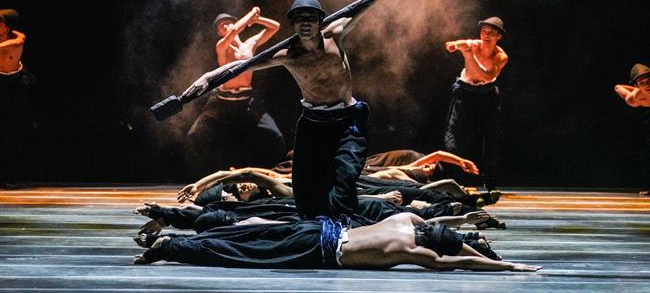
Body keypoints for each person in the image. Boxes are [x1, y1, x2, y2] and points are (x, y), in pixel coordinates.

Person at [184, 0, 404, 220]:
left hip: (347, 121)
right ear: (294, 24)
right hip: (313, 124)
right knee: (305, 192)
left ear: (320, 21)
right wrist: (207, 77)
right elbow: (242, 66)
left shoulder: (334, 33)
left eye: (310, 18)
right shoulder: (288, 54)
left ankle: (345, 229)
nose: (305, 24)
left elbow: (364, 1)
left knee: (344, 179)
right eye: (300, 19)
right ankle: (315, 229)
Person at [133, 212, 540, 271]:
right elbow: (458, 260)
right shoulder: (408, 252)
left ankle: (176, 236)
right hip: (318, 249)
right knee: (245, 254)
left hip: (317, 229)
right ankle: (170, 246)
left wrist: (462, 219)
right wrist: (506, 265)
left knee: (253, 225)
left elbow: (440, 226)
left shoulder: (405, 221)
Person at [186, 6, 285, 177]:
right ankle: (202, 177)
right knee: (194, 135)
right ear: (219, 32)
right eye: (221, 26)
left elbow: (275, 27)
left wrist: (257, 19)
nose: (225, 26)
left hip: (246, 102)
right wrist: (250, 15)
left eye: (228, 23)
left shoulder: (250, 45)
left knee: (275, 136)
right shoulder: (222, 46)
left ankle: (268, 176)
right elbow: (233, 31)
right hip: (221, 104)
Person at [444, 17, 509, 191]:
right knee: (456, 135)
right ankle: (455, 180)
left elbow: (487, 76)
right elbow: (462, 43)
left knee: (490, 137)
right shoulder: (474, 45)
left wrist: (469, 55)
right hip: (465, 92)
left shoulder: (501, 56)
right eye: (484, 32)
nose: (486, 36)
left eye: (491, 33)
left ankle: (490, 181)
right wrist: (454, 45)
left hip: (487, 94)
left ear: (498, 37)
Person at [0, 9, 34, 187]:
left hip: (13, 84)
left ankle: (7, 175)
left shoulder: (17, 38)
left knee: (11, 130)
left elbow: (18, 41)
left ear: (6, 26)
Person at [614, 63, 650, 195]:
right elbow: (617, 87)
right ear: (637, 86)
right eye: (642, 83)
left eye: (649, 81)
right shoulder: (635, 98)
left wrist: (638, 86)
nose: (647, 85)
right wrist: (635, 89)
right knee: (647, 152)